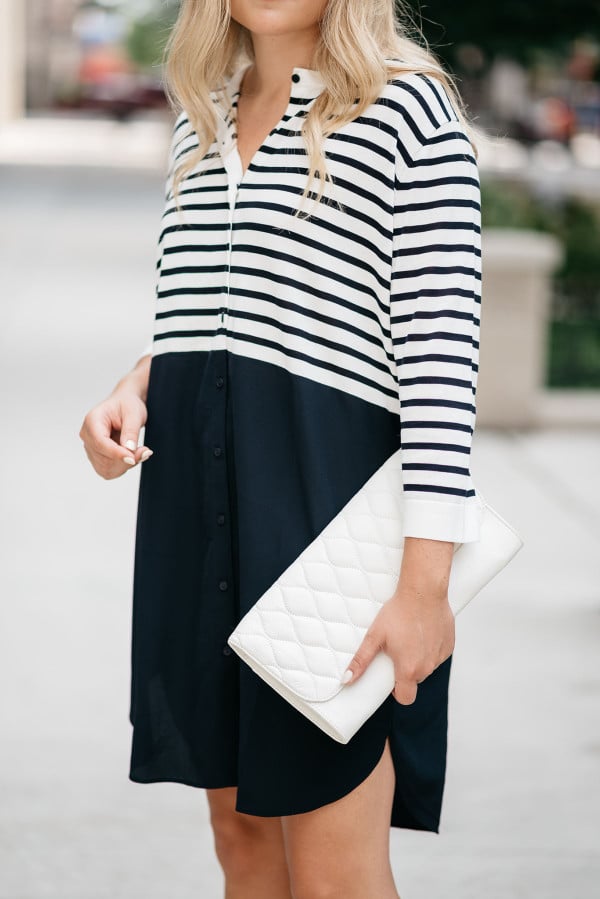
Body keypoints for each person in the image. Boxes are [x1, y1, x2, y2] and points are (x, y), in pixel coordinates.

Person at [79, 1, 483, 896]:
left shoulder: (409, 112)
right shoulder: (202, 112)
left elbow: (441, 366)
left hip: (326, 527)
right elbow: (226, 306)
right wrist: (134, 385)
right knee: (242, 840)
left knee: (335, 867)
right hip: (201, 518)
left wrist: (426, 588)